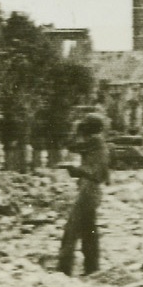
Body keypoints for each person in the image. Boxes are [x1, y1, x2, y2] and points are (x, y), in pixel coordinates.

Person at [57, 113, 111, 276]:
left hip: (88, 188)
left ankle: (64, 268)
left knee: (72, 228)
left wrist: (75, 130)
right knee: (89, 230)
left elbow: (70, 145)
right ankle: (92, 267)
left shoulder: (94, 140)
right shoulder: (97, 142)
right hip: (92, 189)